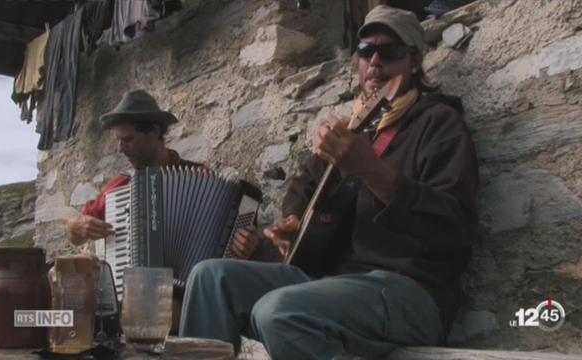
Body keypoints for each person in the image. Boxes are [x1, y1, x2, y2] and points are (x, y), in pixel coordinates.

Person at [178, 5, 479, 359]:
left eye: (390, 51)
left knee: (277, 311)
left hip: (409, 290)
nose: (375, 61)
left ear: (414, 62)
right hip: (333, 283)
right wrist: (293, 225)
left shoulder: (438, 124)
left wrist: (372, 170)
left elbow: (454, 229)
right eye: (366, 51)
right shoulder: (352, 130)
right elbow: (301, 189)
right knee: (209, 277)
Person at [66, 89, 257, 260]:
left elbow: (231, 243)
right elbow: (77, 231)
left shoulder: (201, 177)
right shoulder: (121, 186)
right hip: (139, 292)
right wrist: (75, 229)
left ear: (154, 131)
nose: (120, 149)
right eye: (118, 140)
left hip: (193, 288)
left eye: (128, 139)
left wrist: (243, 245)